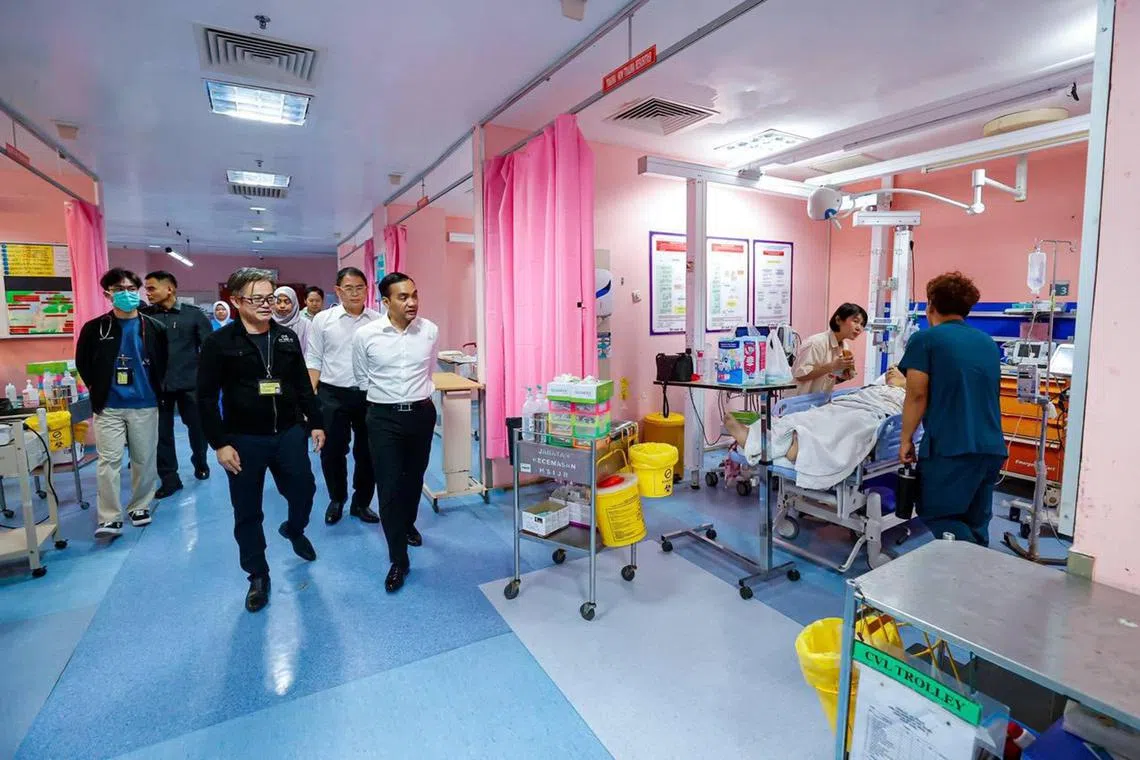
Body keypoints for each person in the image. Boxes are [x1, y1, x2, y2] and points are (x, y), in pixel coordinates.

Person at [197, 268, 326, 613]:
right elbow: (205, 398)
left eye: (270, 297)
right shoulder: (219, 343)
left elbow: (302, 385)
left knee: (304, 488)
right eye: (258, 298)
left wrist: (315, 422)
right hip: (243, 439)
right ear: (236, 301)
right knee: (247, 510)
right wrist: (219, 443)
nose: (267, 304)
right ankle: (257, 574)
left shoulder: (285, 338)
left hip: (288, 433)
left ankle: (294, 528)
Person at [899, 272, 1006, 546]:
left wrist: (906, 439)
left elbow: (916, 394)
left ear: (931, 305)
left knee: (938, 513)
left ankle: (964, 564)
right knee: (976, 519)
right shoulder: (987, 342)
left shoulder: (926, 340)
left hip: (951, 447)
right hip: (991, 447)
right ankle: (976, 568)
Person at [353, 272, 439, 593]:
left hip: (421, 414)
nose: (412, 302)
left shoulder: (429, 331)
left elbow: (428, 369)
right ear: (386, 302)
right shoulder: (366, 335)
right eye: (403, 297)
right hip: (383, 417)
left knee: (414, 478)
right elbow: (362, 378)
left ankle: (408, 524)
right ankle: (398, 559)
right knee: (389, 485)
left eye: (414, 295)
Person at [74, 268, 168, 539]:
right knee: (109, 461)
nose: (126, 294)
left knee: (144, 459)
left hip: (145, 403)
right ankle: (110, 517)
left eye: (131, 289)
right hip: (109, 406)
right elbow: (83, 363)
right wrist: (99, 388)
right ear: (108, 294)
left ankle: (139, 506)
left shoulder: (154, 328)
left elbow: (163, 363)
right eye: (119, 289)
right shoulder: (95, 329)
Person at [724, 368, 907, 490]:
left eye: (897, 369)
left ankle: (794, 445)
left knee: (848, 425)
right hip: (844, 405)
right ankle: (769, 435)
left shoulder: (908, 394)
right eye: (889, 368)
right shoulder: (872, 387)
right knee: (810, 416)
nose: (891, 369)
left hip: (868, 413)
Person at [306, 267, 380, 526]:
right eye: (348, 288)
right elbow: (314, 358)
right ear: (337, 290)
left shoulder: (377, 321)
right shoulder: (323, 320)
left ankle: (362, 503)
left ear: (367, 289)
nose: (355, 293)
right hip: (331, 394)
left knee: (368, 451)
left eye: (360, 288)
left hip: (369, 395)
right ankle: (337, 498)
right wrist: (309, 400)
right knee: (332, 450)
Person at [142, 271, 214, 498]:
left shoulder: (194, 315)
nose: (147, 293)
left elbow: (209, 350)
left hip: (190, 384)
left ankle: (200, 460)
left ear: (169, 289)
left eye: (152, 288)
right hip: (158, 385)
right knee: (161, 434)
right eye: (146, 288)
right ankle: (170, 478)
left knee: (198, 428)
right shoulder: (145, 317)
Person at [790, 303, 866, 396]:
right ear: (838, 320)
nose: (859, 328)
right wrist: (832, 366)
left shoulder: (844, 347)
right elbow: (800, 375)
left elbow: (829, 378)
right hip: (798, 399)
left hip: (820, 399)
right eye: (855, 321)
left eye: (862, 324)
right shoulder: (815, 343)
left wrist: (843, 377)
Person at [272, 285, 312, 353]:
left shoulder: (306, 324)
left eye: (287, 302)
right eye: (278, 302)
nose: (282, 306)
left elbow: (309, 351)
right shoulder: (267, 323)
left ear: (294, 303)